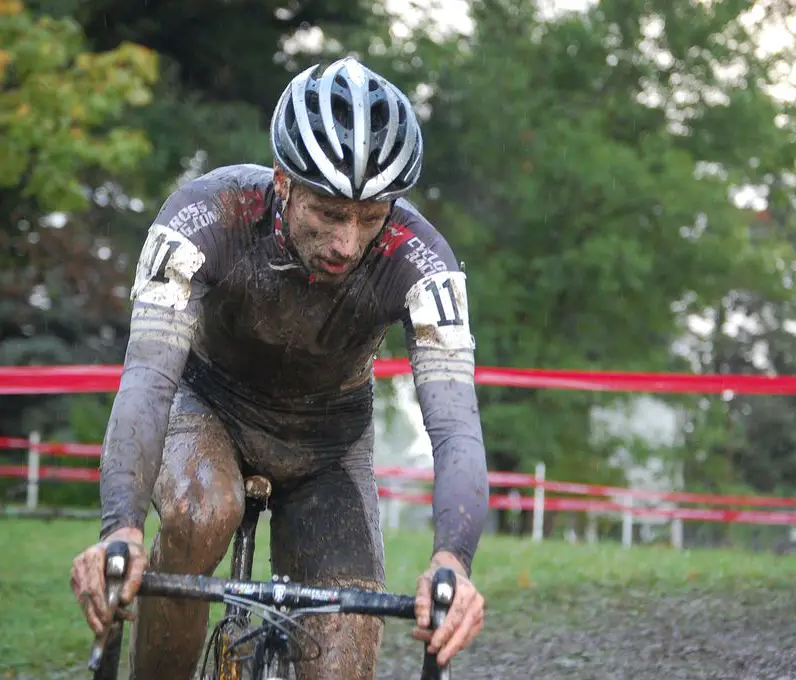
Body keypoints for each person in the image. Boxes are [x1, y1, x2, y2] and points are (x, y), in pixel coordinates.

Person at [69, 56, 489, 680]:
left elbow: (456, 426)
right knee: (198, 512)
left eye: (370, 217)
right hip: (209, 406)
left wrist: (453, 560)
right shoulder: (205, 216)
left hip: (327, 444)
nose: (348, 242)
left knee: (344, 656)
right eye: (327, 211)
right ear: (283, 181)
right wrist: (121, 528)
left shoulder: (423, 261)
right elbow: (150, 379)